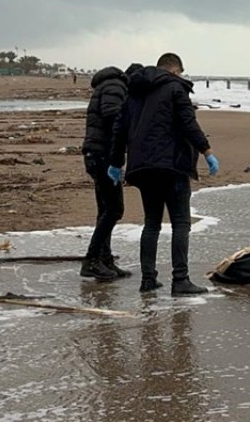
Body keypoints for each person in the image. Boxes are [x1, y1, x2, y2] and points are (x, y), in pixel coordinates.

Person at [108, 53, 219, 295]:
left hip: (143, 167)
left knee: (152, 223)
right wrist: (206, 150)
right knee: (180, 222)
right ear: (175, 70)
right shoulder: (175, 87)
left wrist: (116, 163)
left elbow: (120, 130)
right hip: (172, 165)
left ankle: (148, 279)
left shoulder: (133, 91)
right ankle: (180, 280)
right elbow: (188, 123)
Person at [78, 64, 135, 281]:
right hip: (102, 155)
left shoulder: (107, 85)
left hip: (96, 154)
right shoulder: (116, 85)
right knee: (114, 209)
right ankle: (91, 260)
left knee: (105, 210)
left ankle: (104, 259)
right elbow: (113, 115)